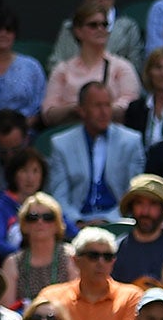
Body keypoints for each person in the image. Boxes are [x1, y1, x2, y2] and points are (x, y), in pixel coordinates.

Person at [44, 81, 143, 225]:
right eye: (97, 106)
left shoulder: (131, 141)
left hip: (118, 221)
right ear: (82, 110)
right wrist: (78, 221)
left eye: (107, 105)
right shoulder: (61, 144)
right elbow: (59, 196)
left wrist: (107, 220)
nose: (104, 112)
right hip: (76, 224)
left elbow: (135, 193)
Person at [111, 176, 163, 284]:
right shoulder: (116, 250)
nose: (145, 212)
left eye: (153, 204)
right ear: (131, 207)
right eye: (139, 203)